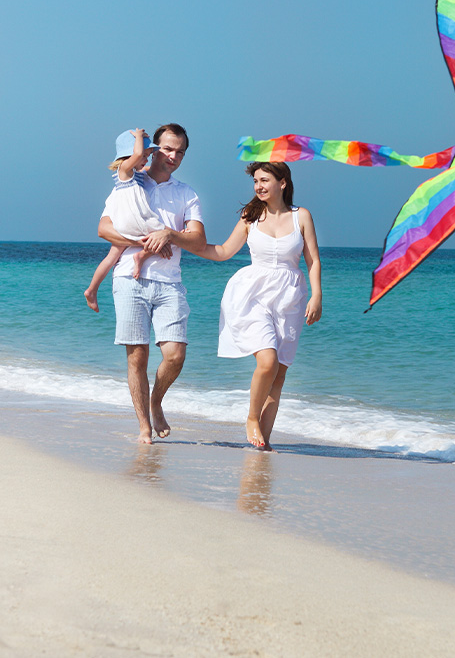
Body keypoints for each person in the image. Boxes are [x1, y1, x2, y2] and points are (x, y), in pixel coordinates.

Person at [192, 162, 322, 451]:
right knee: (267, 361)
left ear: (283, 183)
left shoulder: (301, 217)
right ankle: (252, 418)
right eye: (255, 182)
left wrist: (317, 296)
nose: (258, 186)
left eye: (264, 180)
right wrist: (182, 241)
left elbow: (312, 259)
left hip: (290, 297)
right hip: (253, 294)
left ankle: (263, 442)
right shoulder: (250, 216)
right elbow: (224, 251)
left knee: (280, 373)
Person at [98, 123, 206, 444]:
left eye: (180, 152)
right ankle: (144, 425)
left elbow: (198, 241)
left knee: (175, 355)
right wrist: (142, 242)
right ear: (153, 148)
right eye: (168, 149)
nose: (173, 156)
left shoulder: (187, 193)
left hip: (170, 283)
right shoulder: (128, 183)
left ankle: (156, 400)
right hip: (129, 280)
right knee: (137, 356)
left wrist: (169, 234)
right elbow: (104, 229)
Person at [85, 128, 163, 312]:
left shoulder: (137, 173)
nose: (145, 159)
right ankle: (141, 255)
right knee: (164, 234)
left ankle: (92, 289)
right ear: (129, 155)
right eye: (144, 156)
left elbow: (149, 167)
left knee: (112, 256)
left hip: (123, 223)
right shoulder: (125, 170)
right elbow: (136, 154)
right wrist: (137, 137)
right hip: (133, 220)